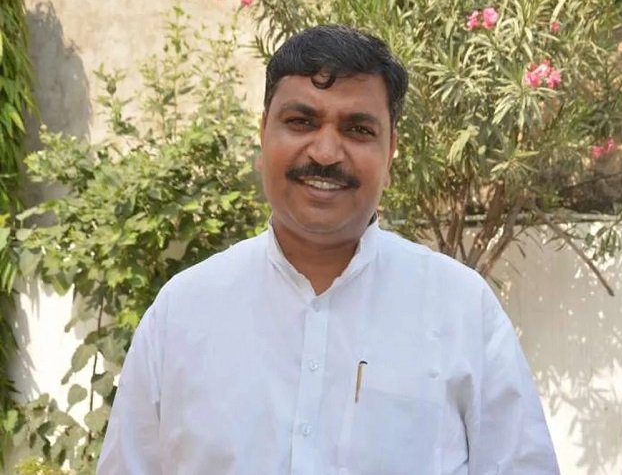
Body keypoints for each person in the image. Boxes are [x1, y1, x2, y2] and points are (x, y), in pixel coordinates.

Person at [98, 25, 559, 474]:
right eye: (301, 122)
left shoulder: (461, 309)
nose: (324, 152)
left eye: (358, 129)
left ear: (391, 152)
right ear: (263, 133)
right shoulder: (182, 313)